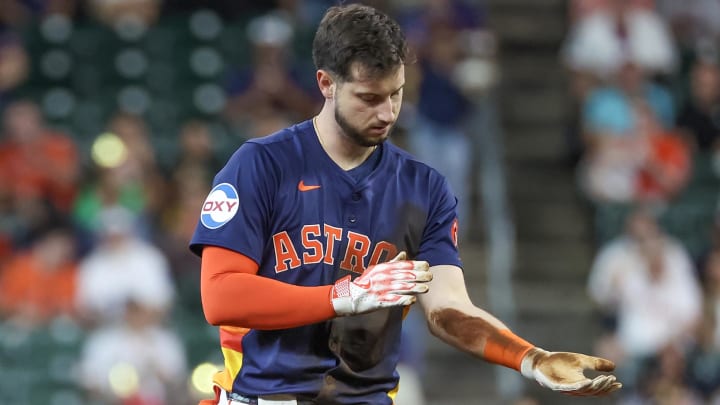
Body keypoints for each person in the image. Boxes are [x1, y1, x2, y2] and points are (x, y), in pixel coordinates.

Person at [189, 4, 622, 405]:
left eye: (395, 94)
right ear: (326, 83)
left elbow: (448, 309)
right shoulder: (261, 164)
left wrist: (530, 359)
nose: (387, 113)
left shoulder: (425, 187)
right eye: (369, 98)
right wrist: (343, 296)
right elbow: (221, 296)